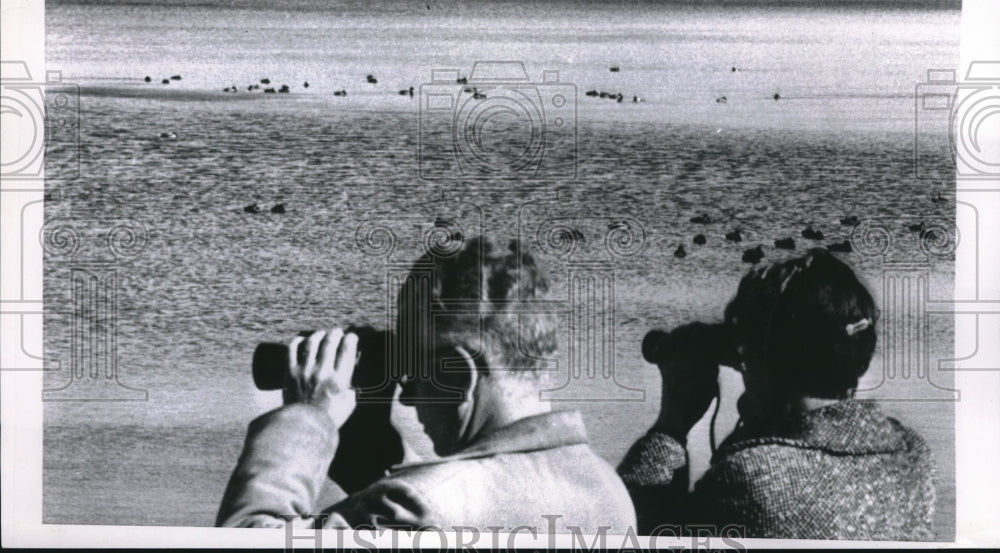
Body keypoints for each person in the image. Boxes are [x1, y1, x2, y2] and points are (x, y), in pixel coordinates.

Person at [217, 234, 636, 533]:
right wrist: (367, 445)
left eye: (413, 371)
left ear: (456, 376)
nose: (406, 394)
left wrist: (307, 417)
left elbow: (245, 542)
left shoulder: (418, 507)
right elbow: (479, 490)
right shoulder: (608, 494)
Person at [618, 248, 935, 540]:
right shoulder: (912, 455)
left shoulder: (749, 479)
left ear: (767, 360)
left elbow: (629, 531)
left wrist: (670, 427)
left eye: (745, 352)